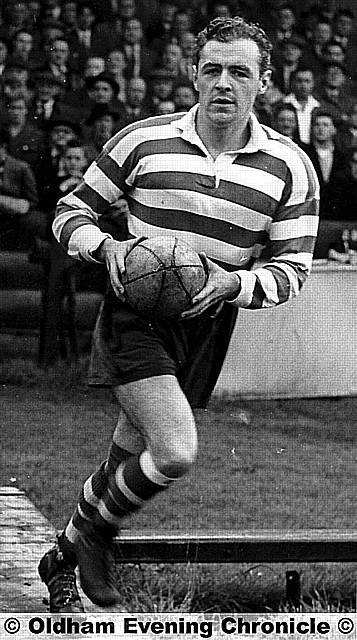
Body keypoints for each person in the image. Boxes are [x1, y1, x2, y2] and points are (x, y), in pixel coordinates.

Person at [38, 15, 319, 613]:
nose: (224, 82)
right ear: (193, 74)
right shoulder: (142, 140)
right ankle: (93, 537)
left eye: (239, 71)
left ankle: (62, 550)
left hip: (209, 320)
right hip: (134, 316)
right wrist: (107, 245)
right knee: (173, 450)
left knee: (127, 448)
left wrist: (232, 283)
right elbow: (70, 214)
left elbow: (292, 269)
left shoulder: (289, 166)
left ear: (263, 82)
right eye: (212, 69)